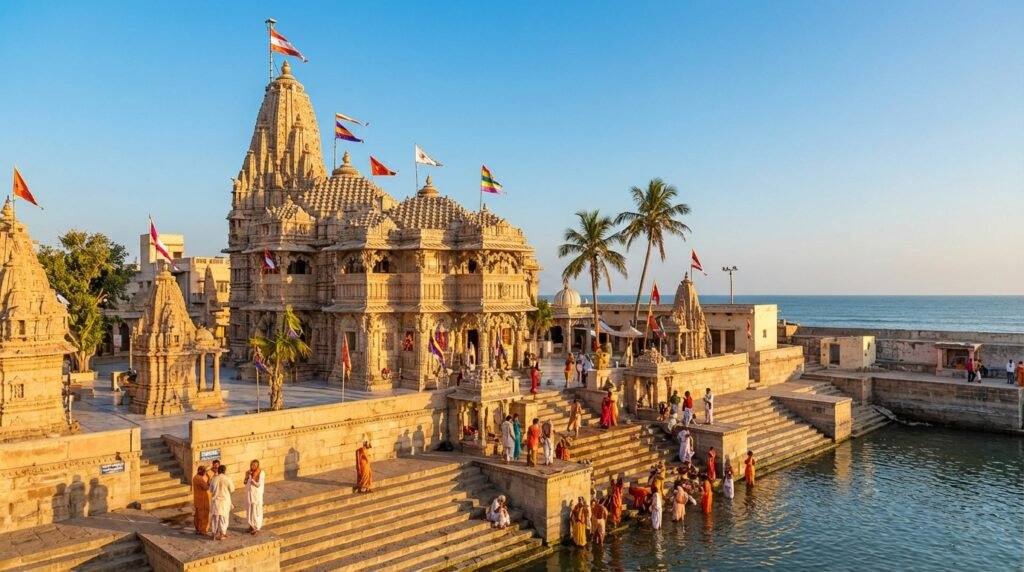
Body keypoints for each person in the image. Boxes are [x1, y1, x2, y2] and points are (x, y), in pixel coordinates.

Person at [209, 465, 234, 541]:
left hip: (216, 501)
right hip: (224, 501)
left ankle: (213, 534)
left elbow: (210, 490)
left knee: (215, 518)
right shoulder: (228, 479)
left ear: (218, 471)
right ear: (224, 471)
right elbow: (232, 489)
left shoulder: (214, 479)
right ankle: (222, 534)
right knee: (224, 518)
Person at [244, 459, 265, 534]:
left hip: (257, 495)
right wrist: (247, 476)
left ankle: (256, 527)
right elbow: (245, 482)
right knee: (249, 510)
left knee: (256, 511)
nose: (253, 466)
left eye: (255, 465)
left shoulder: (261, 473)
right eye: (252, 465)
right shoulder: (248, 472)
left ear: (257, 466)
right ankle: (251, 526)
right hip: (249, 494)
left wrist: (251, 479)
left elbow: (258, 484)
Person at [191, 466, 211, 536]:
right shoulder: (199, 479)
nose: (205, 473)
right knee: (203, 515)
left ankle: (197, 528)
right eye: (204, 471)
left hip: (197, 499)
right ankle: (202, 530)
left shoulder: (195, 477)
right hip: (203, 499)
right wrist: (209, 478)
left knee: (197, 514)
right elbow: (206, 487)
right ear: (201, 471)